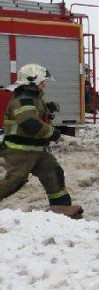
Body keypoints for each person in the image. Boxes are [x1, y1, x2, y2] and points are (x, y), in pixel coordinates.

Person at [0, 64, 70, 206]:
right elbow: (30, 123)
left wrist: (47, 108)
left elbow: (33, 113)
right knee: (14, 181)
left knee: (53, 173)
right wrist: (53, 133)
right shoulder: (23, 99)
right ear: (32, 81)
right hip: (20, 151)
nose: (44, 85)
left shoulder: (33, 98)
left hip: (37, 150)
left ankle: (61, 208)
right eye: (42, 82)